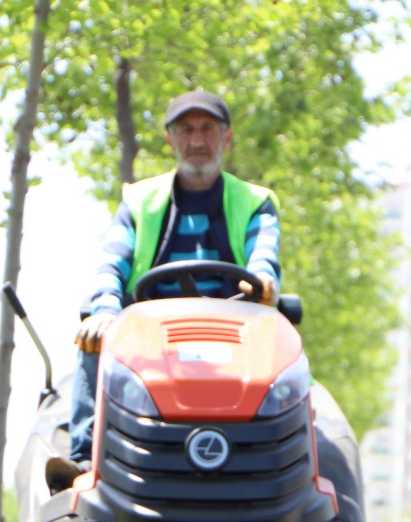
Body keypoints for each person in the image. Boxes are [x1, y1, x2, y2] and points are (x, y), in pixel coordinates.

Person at [45, 90, 282, 492]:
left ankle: (275, 462)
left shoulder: (255, 202)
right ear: (170, 140)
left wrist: (262, 281)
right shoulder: (139, 202)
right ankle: (84, 460)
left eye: (208, 128)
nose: (197, 140)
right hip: (151, 335)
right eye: (186, 129)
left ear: (226, 138)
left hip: (235, 331)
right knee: (93, 332)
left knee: (286, 362)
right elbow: (112, 263)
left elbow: (264, 257)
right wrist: (105, 310)